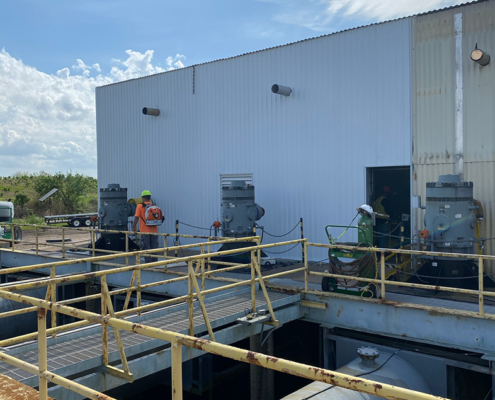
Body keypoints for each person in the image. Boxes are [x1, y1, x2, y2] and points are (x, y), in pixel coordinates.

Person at [132, 190, 159, 263]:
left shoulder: (140, 206)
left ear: (143, 198)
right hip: (154, 231)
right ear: (149, 197)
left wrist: (133, 227)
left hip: (144, 231)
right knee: (154, 248)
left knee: (146, 247)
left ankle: (148, 263)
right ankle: (155, 262)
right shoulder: (154, 206)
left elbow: (137, 217)